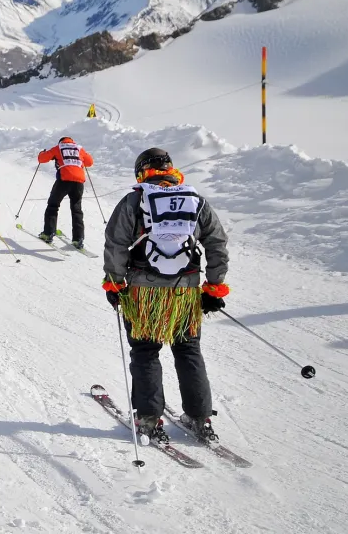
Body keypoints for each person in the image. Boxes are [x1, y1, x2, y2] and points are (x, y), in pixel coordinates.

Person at [102, 147, 230, 444]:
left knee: (145, 351)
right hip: (185, 292)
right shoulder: (195, 201)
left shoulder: (135, 200)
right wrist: (213, 286)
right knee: (188, 349)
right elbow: (217, 244)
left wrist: (115, 284)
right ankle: (200, 418)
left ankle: (148, 418)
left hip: (142, 293)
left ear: (141, 172)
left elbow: (115, 244)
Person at [37, 137, 94, 249]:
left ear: (61, 142)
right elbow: (90, 162)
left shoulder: (59, 147)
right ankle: (78, 239)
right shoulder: (79, 148)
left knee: (53, 205)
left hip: (64, 180)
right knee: (76, 209)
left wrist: (42, 153)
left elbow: (42, 159)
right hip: (78, 182)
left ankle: (48, 234)